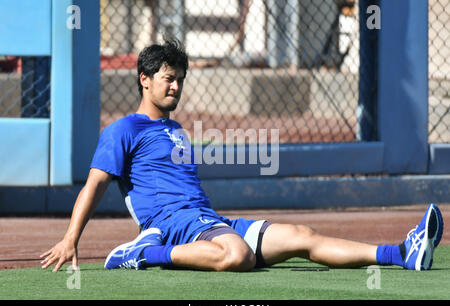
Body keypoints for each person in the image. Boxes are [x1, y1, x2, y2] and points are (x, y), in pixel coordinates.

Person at [40, 39, 444, 273]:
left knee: (303, 237)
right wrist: (70, 239)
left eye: (180, 80)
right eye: (168, 79)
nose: (176, 87)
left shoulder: (175, 130)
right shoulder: (123, 130)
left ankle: (401, 254)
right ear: (144, 80)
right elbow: (95, 184)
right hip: (171, 224)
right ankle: (141, 253)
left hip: (206, 218)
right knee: (236, 255)